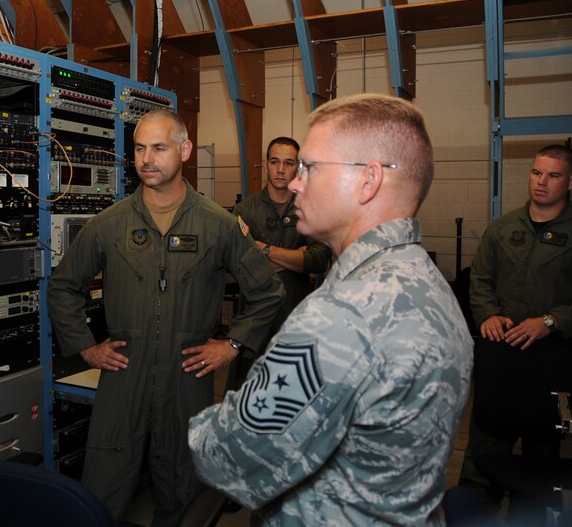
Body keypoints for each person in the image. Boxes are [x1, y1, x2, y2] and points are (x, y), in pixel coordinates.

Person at [188, 93, 474, 525]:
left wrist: (207, 424)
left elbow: (225, 456)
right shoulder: (424, 282)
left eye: (311, 167)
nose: (296, 182)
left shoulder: (342, 315)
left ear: (368, 180)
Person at [47, 108, 283, 526]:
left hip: (187, 370)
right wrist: (84, 345)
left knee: (181, 486)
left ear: (185, 150)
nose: (147, 159)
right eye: (139, 149)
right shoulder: (109, 224)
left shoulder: (219, 225)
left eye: (158, 147)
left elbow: (267, 292)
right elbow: (63, 286)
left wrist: (232, 344)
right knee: (104, 485)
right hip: (124, 369)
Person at [458, 144, 572, 519]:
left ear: (569, 181)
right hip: (501, 360)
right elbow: (480, 281)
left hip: (550, 362)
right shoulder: (503, 229)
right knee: (484, 455)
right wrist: (487, 314)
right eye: (537, 172)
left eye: (553, 175)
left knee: (540, 460)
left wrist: (551, 321)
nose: (542, 182)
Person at [231, 136, 331, 382]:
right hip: (255, 321)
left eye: (288, 163)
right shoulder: (245, 210)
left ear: (298, 168)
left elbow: (319, 259)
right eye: (275, 162)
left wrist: (263, 249)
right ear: (265, 165)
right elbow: (241, 264)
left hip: (297, 316)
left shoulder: (310, 208)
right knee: (249, 392)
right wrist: (297, 259)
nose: (280, 169)